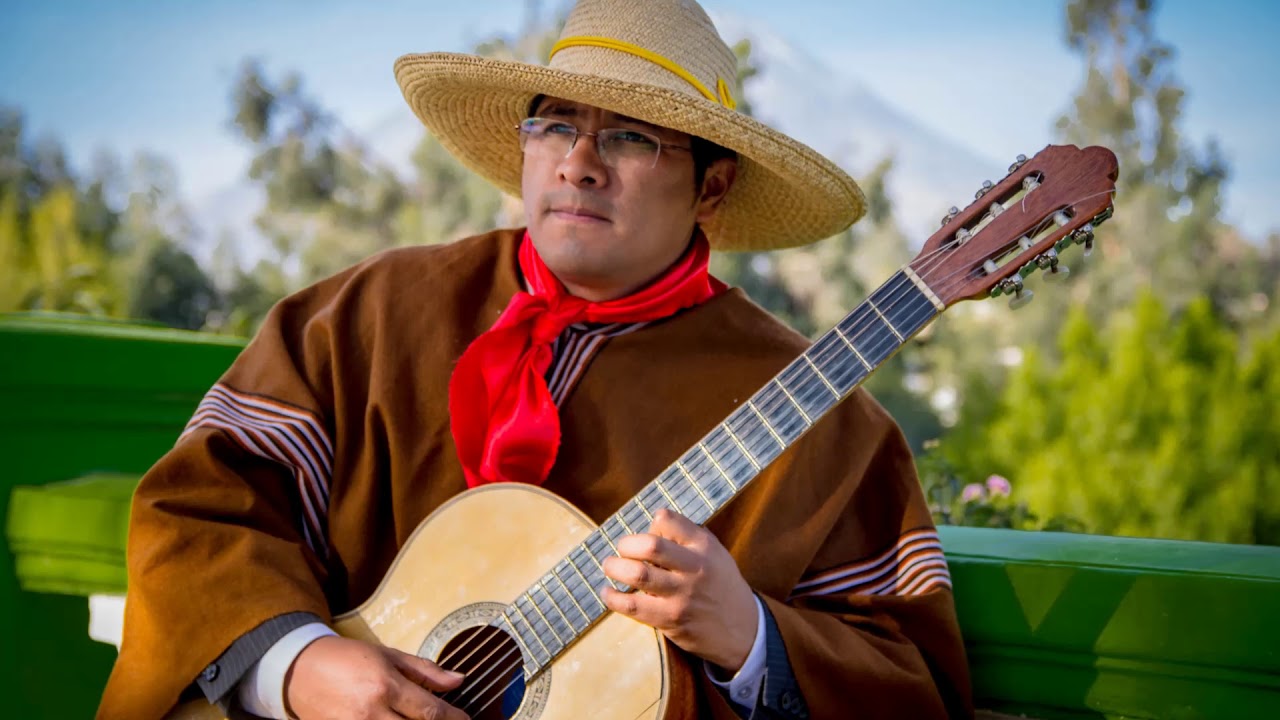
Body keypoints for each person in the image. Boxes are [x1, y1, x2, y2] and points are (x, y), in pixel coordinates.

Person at [98, 0, 973, 718]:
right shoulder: (369, 314)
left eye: (632, 137)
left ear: (712, 185)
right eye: (555, 126)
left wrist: (751, 638)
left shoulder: (821, 416)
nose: (580, 164)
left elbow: (912, 685)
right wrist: (299, 667)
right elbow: (199, 510)